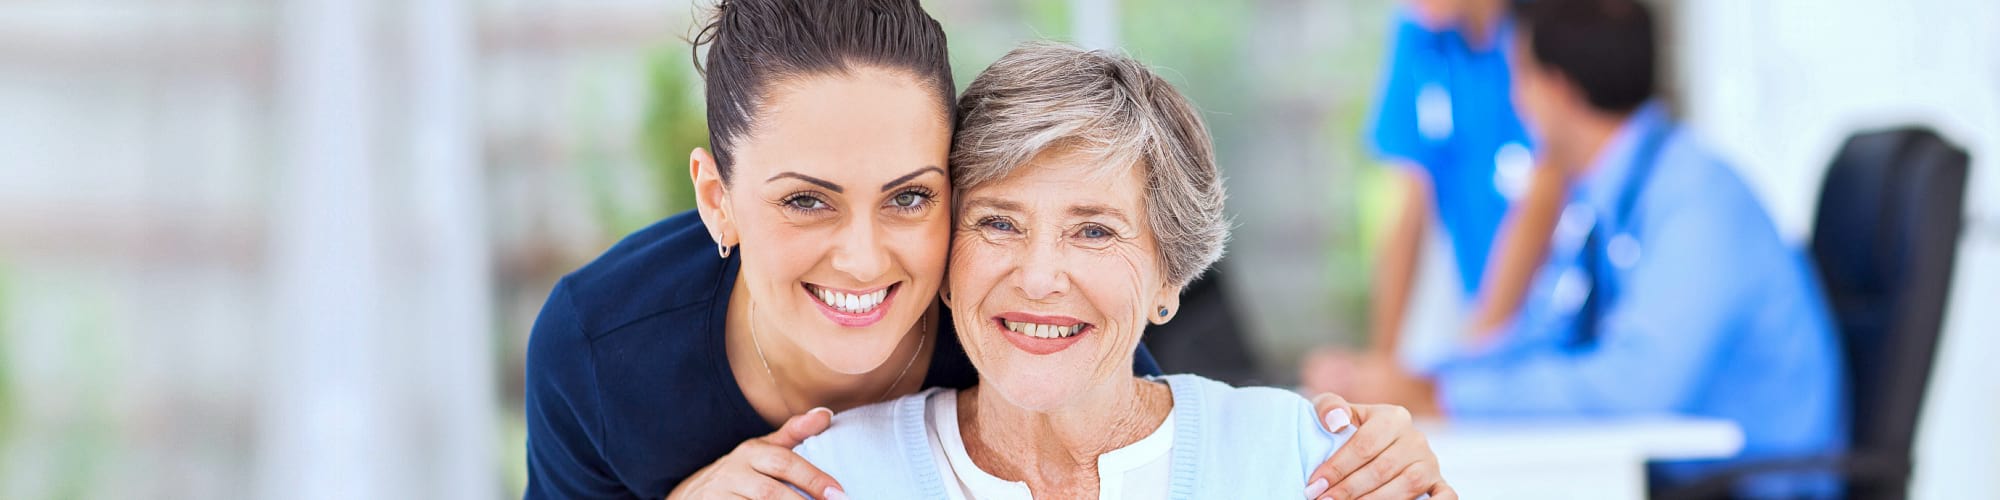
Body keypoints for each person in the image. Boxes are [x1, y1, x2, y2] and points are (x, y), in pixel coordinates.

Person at [522, 1, 1447, 498]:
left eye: (911, 197)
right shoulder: (599, 348)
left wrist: (1392, 459)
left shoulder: (1024, 328)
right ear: (717, 199)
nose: (863, 256)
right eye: (806, 200)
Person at [796, 42, 1455, 500]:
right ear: (944, 261)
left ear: (1168, 277)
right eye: (998, 223)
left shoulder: (1305, 458)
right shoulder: (826, 477)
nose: (1039, 276)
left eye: (1093, 231)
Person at [1323, 0, 1848, 496]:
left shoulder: (1697, 199)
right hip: (1686, 476)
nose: (1514, 100)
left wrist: (1441, 396)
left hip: (1757, 485)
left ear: (1557, 89)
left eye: (1519, 78)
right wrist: (1422, 378)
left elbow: (1634, 385)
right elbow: (1548, 335)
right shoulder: (1610, 195)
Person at [1302, 0, 1568, 392]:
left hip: (1552, 320)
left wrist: (1474, 362)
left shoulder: (1543, 34)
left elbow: (1543, 197)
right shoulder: (1419, 33)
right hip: (1478, 313)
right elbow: (1408, 205)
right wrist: (1381, 370)